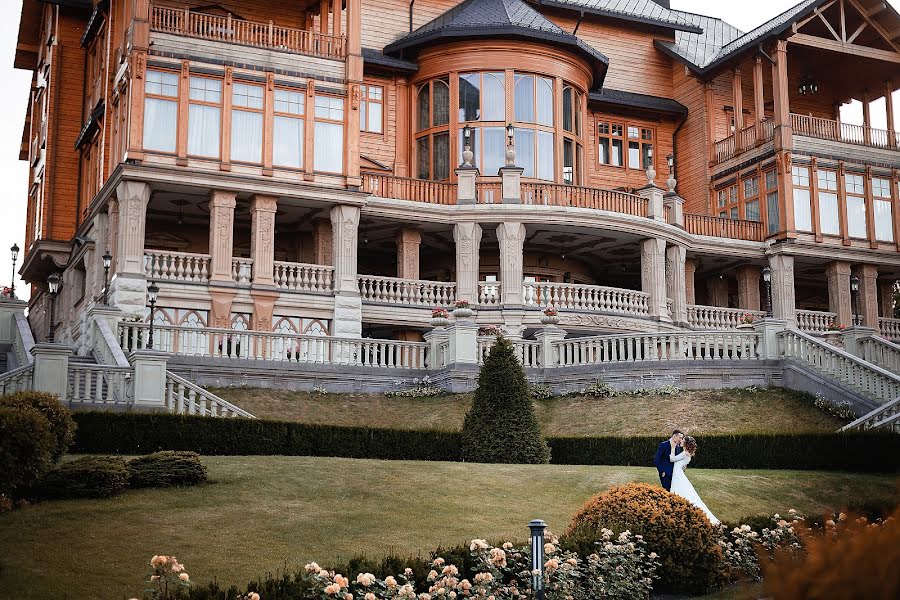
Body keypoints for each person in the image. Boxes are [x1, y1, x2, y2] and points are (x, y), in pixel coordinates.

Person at [669, 436, 719, 525]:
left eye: (682, 440)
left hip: (678, 476)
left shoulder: (685, 453)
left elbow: (672, 459)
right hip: (678, 475)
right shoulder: (687, 453)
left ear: (686, 443)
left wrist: (672, 448)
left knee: (680, 493)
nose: (681, 441)